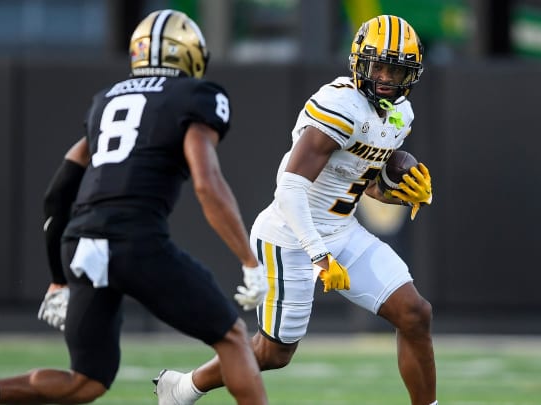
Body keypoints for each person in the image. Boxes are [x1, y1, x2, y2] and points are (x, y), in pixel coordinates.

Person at [0, 9, 270, 405]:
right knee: (233, 337)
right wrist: (249, 262)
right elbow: (207, 183)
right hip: (133, 238)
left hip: (80, 242)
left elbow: (58, 192)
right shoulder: (196, 96)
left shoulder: (107, 99)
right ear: (188, 54)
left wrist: (58, 278)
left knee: (86, 380)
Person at [154, 14, 438, 405]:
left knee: (414, 313)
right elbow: (288, 189)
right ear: (359, 62)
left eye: (399, 71)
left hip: (341, 229)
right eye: (382, 67)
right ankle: (182, 388)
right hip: (289, 236)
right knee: (274, 353)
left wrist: (403, 193)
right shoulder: (340, 104)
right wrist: (319, 256)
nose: (388, 79)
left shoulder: (399, 115)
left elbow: (362, 183)